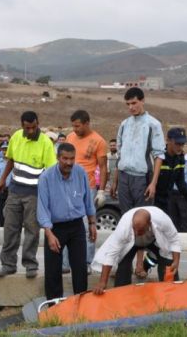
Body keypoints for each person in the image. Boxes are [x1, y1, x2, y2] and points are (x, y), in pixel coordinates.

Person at [0, 111, 57, 278]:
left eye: (34, 127)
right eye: (27, 128)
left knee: (32, 230)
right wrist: (2, 180)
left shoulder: (45, 142)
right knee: (10, 229)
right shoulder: (16, 137)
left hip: (34, 194)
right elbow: (11, 160)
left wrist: (49, 197)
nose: (31, 131)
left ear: (38, 124)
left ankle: (30, 265)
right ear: (22, 126)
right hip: (14, 191)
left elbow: (51, 171)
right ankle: (8, 264)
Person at [37, 143, 97, 299]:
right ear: (58, 158)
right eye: (65, 159)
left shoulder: (80, 173)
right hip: (55, 228)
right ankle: (54, 305)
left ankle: (80, 302)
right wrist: (49, 234)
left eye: (72, 159)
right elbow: (42, 208)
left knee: (80, 267)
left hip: (77, 226)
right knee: (53, 270)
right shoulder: (46, 177)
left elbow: (88, 200)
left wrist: (92, 223)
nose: (69, 162)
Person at [92, 207, 181, 294]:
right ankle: (122, 294)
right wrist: (102, 282)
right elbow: (111, 254)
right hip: (131, 243)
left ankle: (170, 291)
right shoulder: (124, 226)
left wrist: (176, 261)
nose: (137, 233)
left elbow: (174, 239)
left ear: (149, 223)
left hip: (154, 240)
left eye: (141, 230)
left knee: (168, 263)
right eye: (135, 229)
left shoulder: (162, 220)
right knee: (123, 266)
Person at [111, 87, 165, 213]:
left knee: (141, 217)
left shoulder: (153, 124)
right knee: (126, 216)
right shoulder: (124, 124)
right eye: (128, 104)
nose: (131, 107)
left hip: (142, 178)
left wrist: (153, 184)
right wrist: (115, 182)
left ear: (142, 101)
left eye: (134, 103)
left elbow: (159, 156)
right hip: (123, 177)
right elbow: (120, 154)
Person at [66, 109, 108, 267]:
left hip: (87, 188)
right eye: (73, 126)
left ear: (87, 123)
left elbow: (103, 168)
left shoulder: (98, 141)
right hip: (68, 186)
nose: (75, 129)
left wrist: (101, 191)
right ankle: (66, 263)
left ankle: (87, 262)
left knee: (87, 224)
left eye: (77, 126)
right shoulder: (70, 137)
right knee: (66, 223)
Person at [156, 128, 187, 231]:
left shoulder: (180, 158)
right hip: (154, 199)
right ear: (168, 140)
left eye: (182, 144)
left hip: (167, 199)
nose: (180, 147)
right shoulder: (159, 157)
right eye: (177, 143)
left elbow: (180, 181)